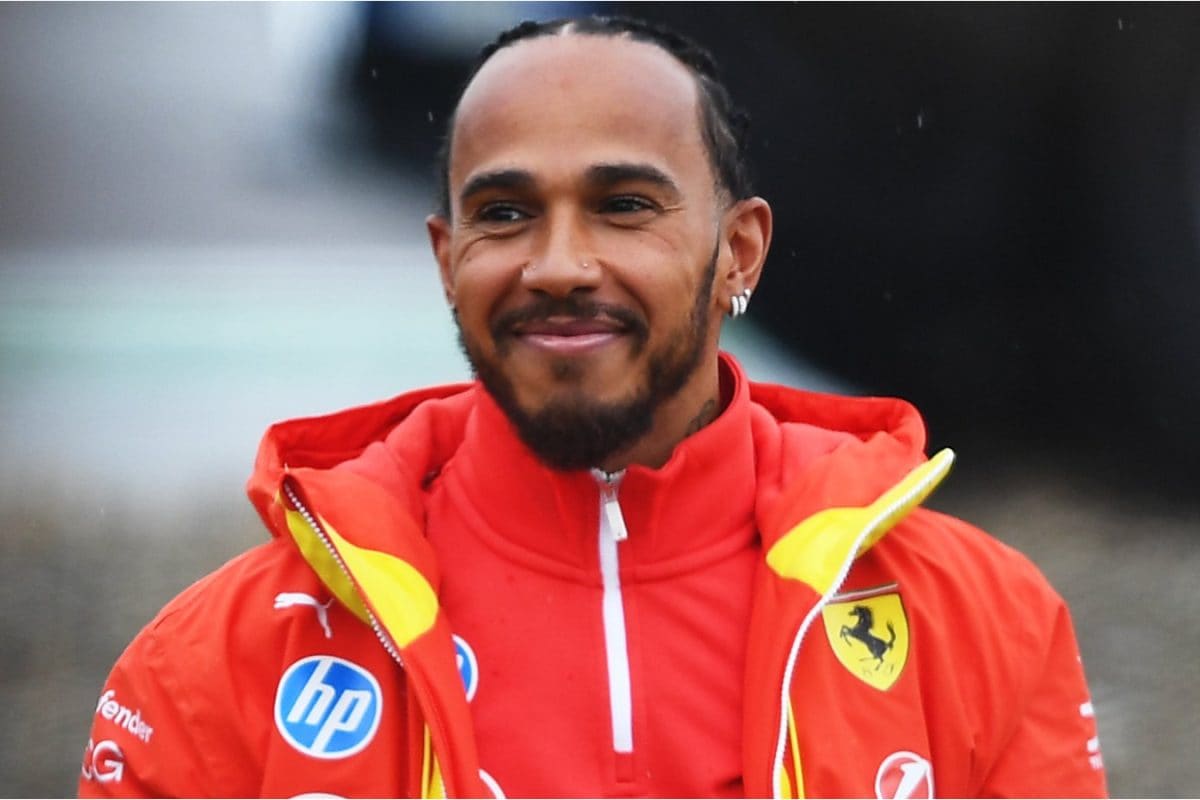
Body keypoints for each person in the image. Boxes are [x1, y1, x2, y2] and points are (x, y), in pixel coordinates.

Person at [79, 15, 1107, 799]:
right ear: (447, 260)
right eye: (506, 212)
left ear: (739, 253)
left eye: (623, 206)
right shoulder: (211, 664)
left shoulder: (985, 621)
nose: (560, 265)